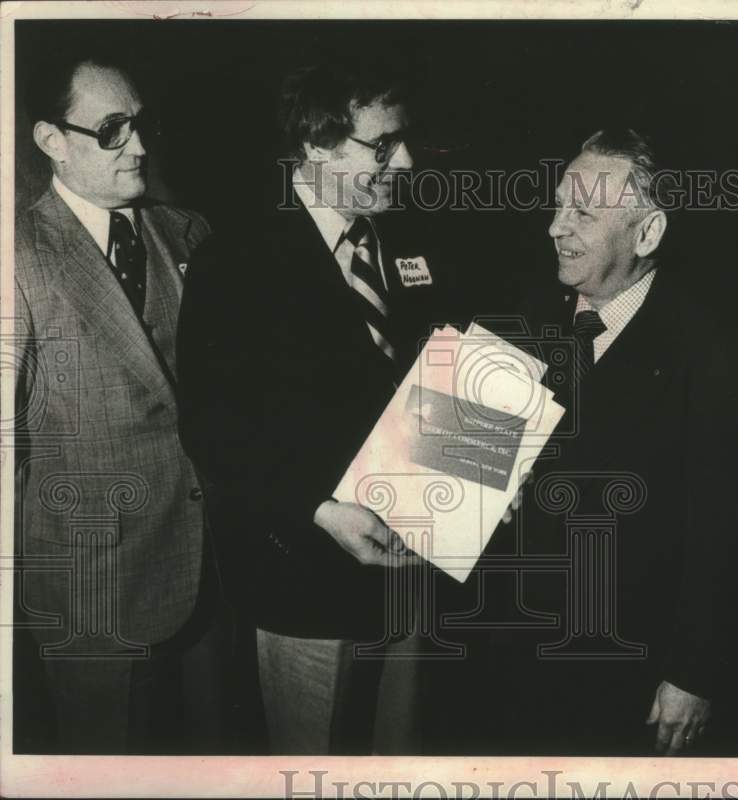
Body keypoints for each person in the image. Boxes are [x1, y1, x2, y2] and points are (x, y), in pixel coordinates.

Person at [428, 129, 738, 756]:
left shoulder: (711, 352)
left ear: (648, 233)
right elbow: (446, 480)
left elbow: (725, 530)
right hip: (499, 656)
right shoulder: (522, 313)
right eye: (559, 206)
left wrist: (693, 673)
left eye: (582, 212)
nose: (555, 227)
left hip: (618, 672)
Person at [176, 59, 454, 754]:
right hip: (307, 582)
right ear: (317, 145)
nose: (406, 161)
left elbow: (441, 373)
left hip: (415, 572)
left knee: (401, 762)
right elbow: (213, 429)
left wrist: (485, 470)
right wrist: (320, 509)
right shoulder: (235, 261)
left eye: (405, 140)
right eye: (382, 145)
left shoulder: (414, 239)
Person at [14, 54, 226, 753]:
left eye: (140, 124)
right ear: (52, 140)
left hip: (211, 573)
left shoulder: (189, 231)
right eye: (111, 130)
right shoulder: (18, 254)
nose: (138, 146)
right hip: (92, 589)